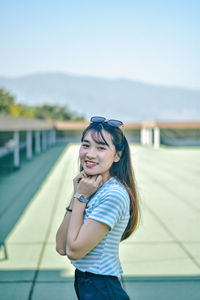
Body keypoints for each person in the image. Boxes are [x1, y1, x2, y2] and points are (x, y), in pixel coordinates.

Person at [56, 116, 140, 300]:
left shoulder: (113, 195)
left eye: (101, 147)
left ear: (117, 155)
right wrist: (78, 194)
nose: (90, 154)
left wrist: (81, 197)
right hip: (86, 283)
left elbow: (74, 251)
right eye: (86, 145)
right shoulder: (91, 187)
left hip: (102, 287)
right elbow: (61, 246)